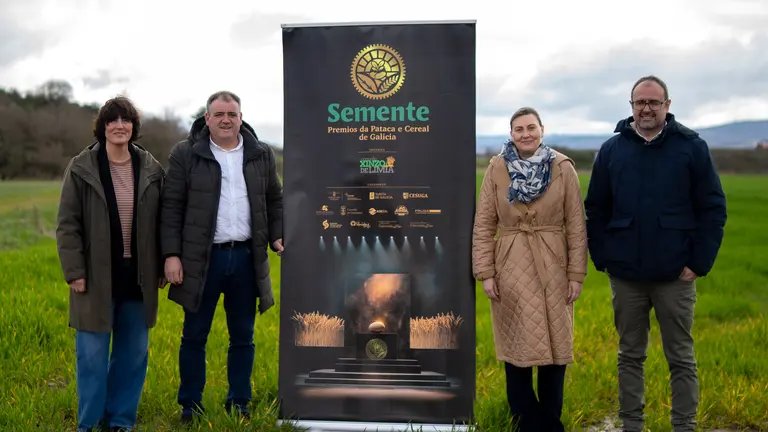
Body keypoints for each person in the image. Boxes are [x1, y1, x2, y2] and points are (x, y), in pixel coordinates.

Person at [584, 75, 727, 432]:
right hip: (626, 276)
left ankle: (684, 426)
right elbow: (596, 210)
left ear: (667, 105)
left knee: (680, 357)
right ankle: (632, 425)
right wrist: (603, 258)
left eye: (654, 102)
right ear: (631, 106)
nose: (646, 108)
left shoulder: (691, 147)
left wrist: (698, 263)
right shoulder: (612, 150)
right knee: (629, 355)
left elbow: (713, 208)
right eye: (639, 102)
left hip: (675, 275)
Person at [159, 90, 284, 423]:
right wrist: (171, 255)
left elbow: (275, 199)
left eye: (232, 114)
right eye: (219, 114)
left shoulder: (261, 154)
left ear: (240, 118)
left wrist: (278, 234)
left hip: (246, 257)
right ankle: (190, 405)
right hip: (202, 259)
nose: (226, 119)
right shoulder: (185, 154)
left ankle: (239, 402)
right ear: (207, 118)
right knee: (194, 335)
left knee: (243, 335)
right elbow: (171, 206)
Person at [472, 107, 588, 431]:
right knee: (516, 352)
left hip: (554, 264)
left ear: (542, 130)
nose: (525, 134)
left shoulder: (563, 167)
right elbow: (483, 223)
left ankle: (550, 422)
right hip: (510, 263)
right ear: (511, 134)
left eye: (531, 128)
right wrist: (486, 272)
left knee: (555, 353)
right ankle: (526, 422)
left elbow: (577, 225)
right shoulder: (496, 168)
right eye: (519, 129)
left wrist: (576, 274)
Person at [55, 96, 166, 432]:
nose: (120, 125)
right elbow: (67, 224)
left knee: (132, 358)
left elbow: (163, 222)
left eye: (126, 120)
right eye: (112, 120)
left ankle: (119, 422)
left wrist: (162, 266)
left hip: (139, 278)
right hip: (94, 279)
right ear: (103, 126)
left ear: (134, 127)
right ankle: (88, 424)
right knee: (91, 358)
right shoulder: (81, 167)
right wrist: (74, 272)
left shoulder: (151, 169)